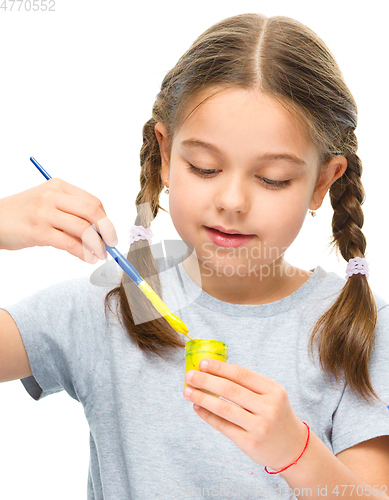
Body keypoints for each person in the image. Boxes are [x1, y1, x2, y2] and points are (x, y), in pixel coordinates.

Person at [1, 12, 388, 500]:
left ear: (323, 182)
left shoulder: (358, 327)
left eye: (272, 178)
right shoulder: (110, 306)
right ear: (165, 155)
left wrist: (297, 452)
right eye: (204, 167)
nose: (231, 200)